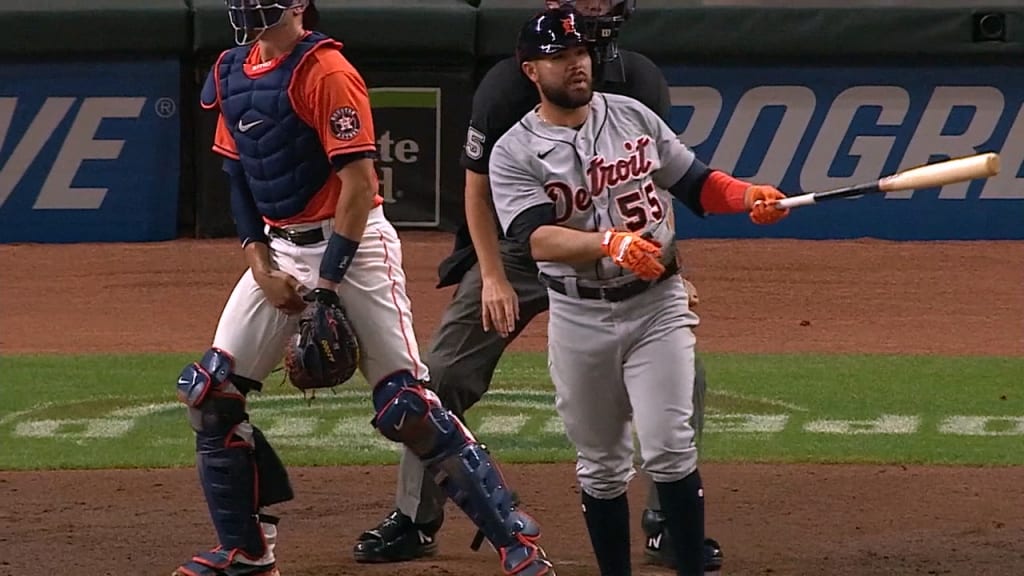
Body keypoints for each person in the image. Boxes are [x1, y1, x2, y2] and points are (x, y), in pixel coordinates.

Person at [171, 2, 554, 575]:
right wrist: (259, 267)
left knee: (406, 407)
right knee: (210, 393)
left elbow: (358, 184)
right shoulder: (229, 71)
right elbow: (237, 178)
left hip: (354, 245)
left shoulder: (324, 72)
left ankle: (514, 540)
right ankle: (246, 549)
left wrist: (325, 289)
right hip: (280, 246)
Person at [353, 0, 722, 572]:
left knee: (684, 378)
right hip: (518, 247)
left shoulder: (638, 80)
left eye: (582, 51)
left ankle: (666, 526)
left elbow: (656, 188)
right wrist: (493, 277)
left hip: (629, 257)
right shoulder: (505, 86)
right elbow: (477, 189)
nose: (578, 59)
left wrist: (673, 268)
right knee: (443, 373)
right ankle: (416, 516)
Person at [487, 7, 790, 576]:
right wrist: (608, 243)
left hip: (658, 307)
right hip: (579, 317)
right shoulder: (513, 152)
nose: (576, 65)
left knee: (671, 448)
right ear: (531, 71)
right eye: (559, 57)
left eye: (579, 53)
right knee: (601, 467)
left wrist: (748, 195)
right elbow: (536, 239)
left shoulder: (632, 116)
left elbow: (696, 182)